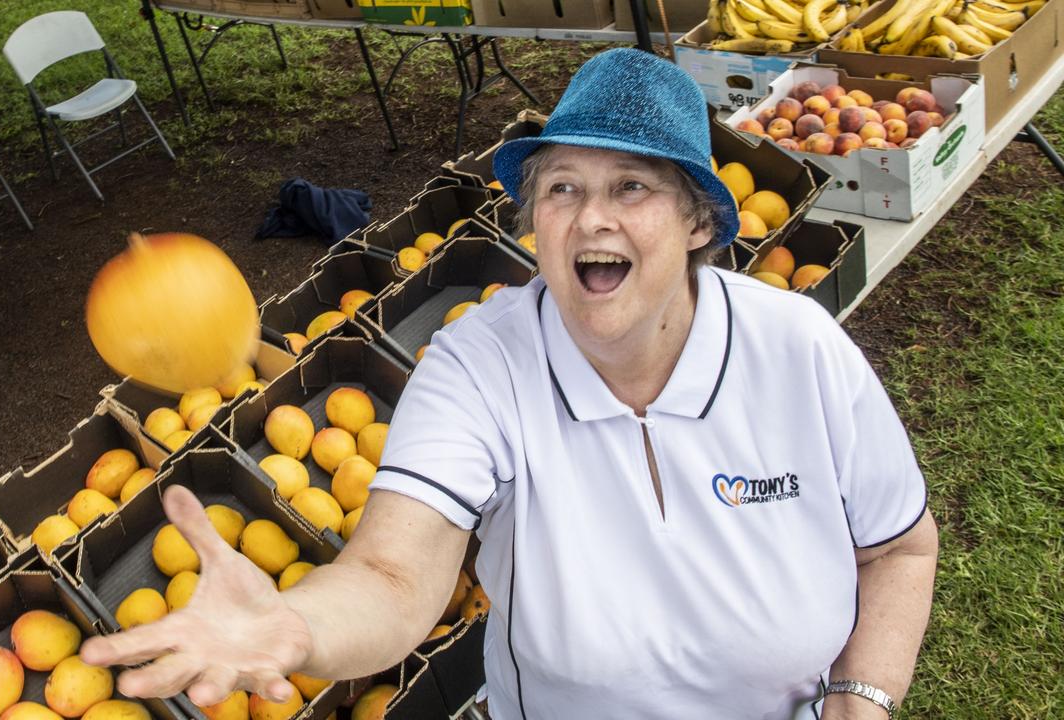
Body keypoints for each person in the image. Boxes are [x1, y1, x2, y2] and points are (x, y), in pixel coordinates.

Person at [81, 49, 938, 720]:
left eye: (631, 187)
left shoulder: (799, 349)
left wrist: (858, 703)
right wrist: (293, 627)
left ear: (700, 221)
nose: (591, 216)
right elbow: (391, 574)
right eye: (562, 188)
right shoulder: (477, 367)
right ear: (534, 225)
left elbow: (899, 547)